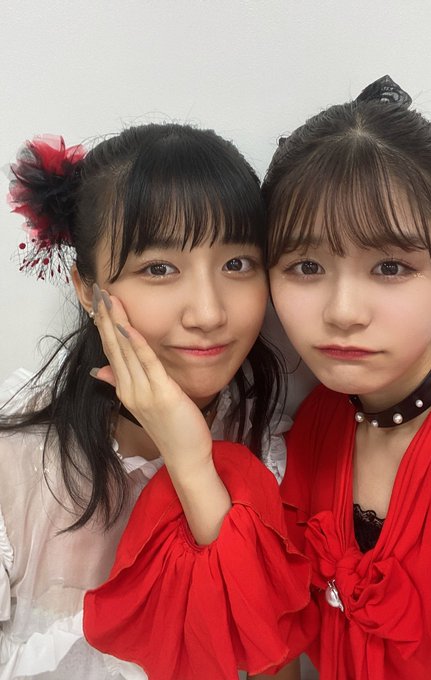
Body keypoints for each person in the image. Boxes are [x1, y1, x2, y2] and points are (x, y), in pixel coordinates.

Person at [84, 76, 431, 679]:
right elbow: (266, 647)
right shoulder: (307, 432)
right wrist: (188, 455)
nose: (344, 312)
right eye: (307, 266)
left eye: (391, 267)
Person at [0, 124, 294, 679]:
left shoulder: (270, 448)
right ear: (87, 289)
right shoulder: (14, 461)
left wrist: (192, 465)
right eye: (159, 268)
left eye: (237, 264)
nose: (208, 313)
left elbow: (271, 662)